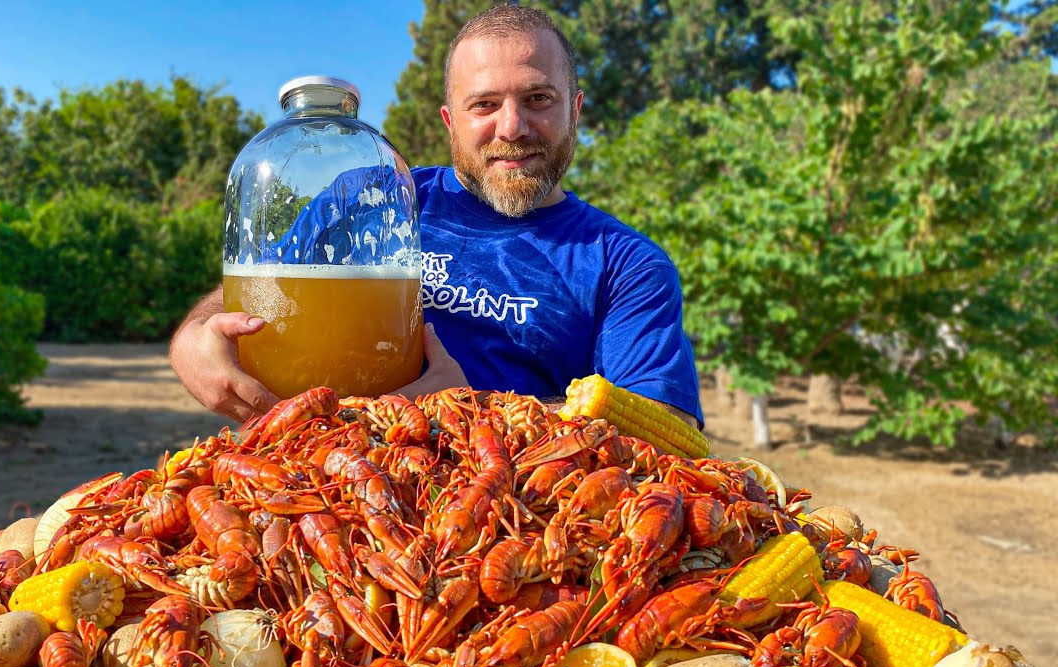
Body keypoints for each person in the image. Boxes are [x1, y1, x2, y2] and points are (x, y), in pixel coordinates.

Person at [169, 4, 703, 428]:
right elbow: (266, 292)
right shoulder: (370, 196)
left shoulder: (627, 265)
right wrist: (193, 338)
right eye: (485, 105)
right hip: (326, 486)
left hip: (500, 528)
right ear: (451, 120)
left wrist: (474, 409)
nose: (512, 126)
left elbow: (666, 433)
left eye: (538, 98)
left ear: (576, 110)